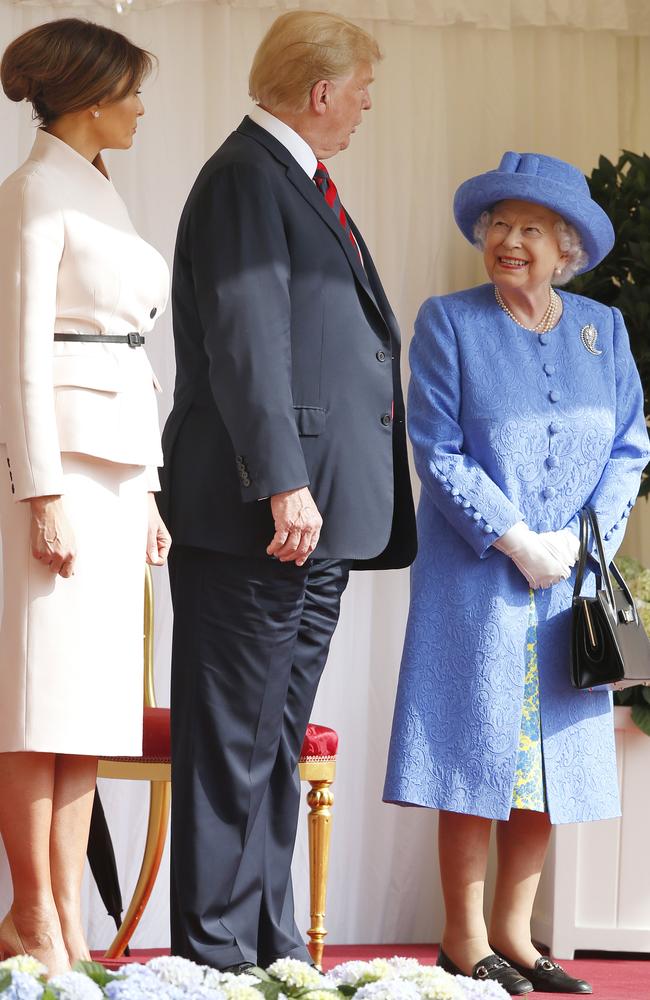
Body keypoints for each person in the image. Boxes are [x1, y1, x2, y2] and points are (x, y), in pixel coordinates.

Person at [160, 9, 416, 971]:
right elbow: (247, 345)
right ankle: (214, 962)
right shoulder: (242, 180)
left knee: (271, 744)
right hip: (261, 516)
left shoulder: (294, 178)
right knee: (233, 748)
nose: (362, 109)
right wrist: (283, 485)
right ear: (320, 93)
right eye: (359, 92)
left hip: (318, 524)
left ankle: (266, 954)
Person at [383, 152, 650, 995]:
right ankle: (463, 938)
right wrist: (514, 538)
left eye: (529, 228)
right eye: (498, 225)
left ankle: (516, 934)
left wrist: (582, 539)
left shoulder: (600, 329)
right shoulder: (449, 322)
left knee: (547, 763)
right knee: (473, 754)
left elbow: (630, 445)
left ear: (564, 246)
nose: (508, 240)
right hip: (475, 576)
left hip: (569, 583)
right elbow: (438, 448)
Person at [0, 18, 171, 976]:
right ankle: (35, 915)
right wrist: (40, 492)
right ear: (93, 96)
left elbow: (130, 357)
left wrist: (146, 492)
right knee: (36, 704)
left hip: (114, 474)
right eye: (134, 90)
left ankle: (68, 919)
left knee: (89, 711)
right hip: (54, 476)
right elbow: (19, 359)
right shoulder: (30, 194)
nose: (143, 106)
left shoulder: (101, 192)